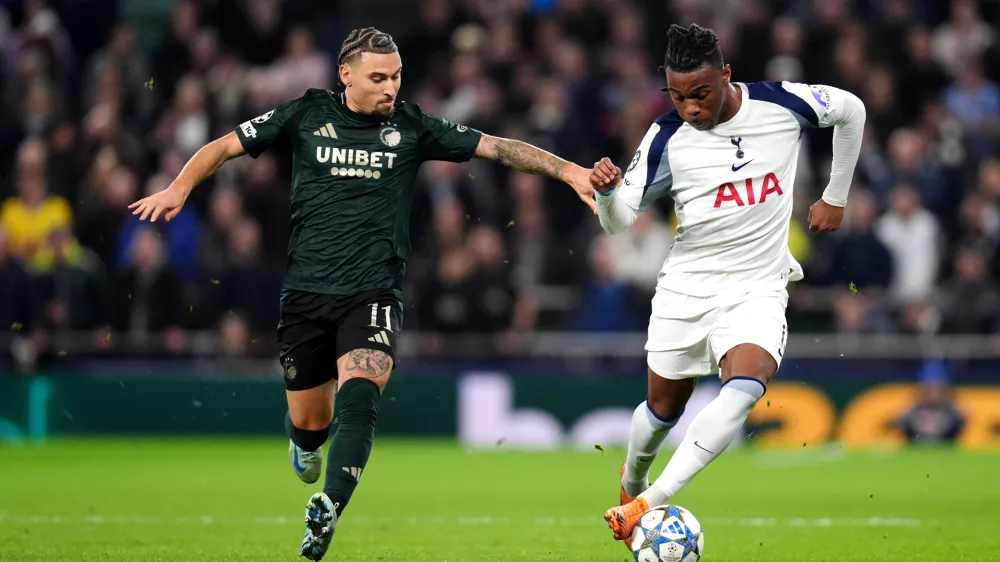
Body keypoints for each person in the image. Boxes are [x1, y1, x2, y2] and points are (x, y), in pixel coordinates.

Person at [129, 27, 596, 561]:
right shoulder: (306, 114)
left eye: (396, 76)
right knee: (311, 426)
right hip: (306, 294)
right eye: (378, 78)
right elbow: (224, 146)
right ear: (345, 75)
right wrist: (179, 187)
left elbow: (498, 147)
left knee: (361, 394)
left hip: (373, 291)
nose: (390, 88)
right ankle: (305, 448)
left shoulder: (413, 126)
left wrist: (569, 171)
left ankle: (330, 505)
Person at [589, 23, 866, 546]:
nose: (690, 107)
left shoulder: (781, 104)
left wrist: (836, 194)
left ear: (726, 75)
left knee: (744, 387)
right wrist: (606, 195)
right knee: (660, 413)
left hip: (758, 287)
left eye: (701, 93)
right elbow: (619, 220)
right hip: (686, 288)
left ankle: (650, 502)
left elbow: (851, 109)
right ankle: (632, 483)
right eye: (678, 96)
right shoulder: (666, 136)